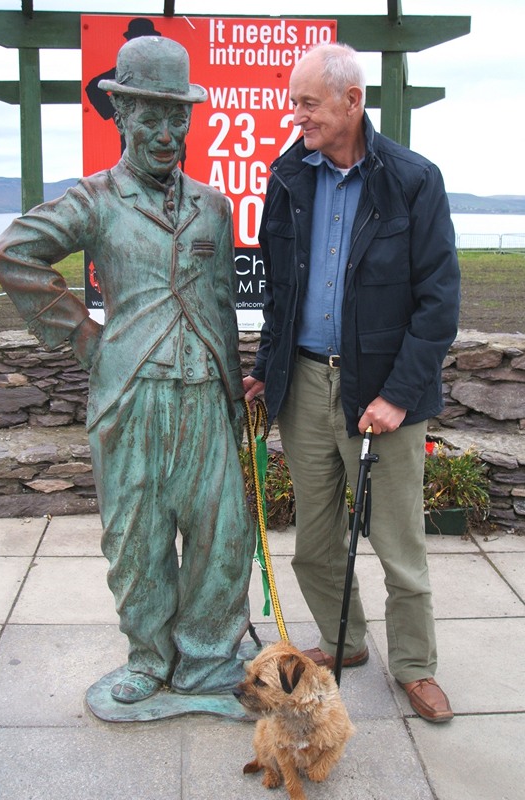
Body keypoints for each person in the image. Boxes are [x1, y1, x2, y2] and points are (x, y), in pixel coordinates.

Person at [0, 36, 254, 704]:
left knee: (221, 537)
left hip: (203, 395)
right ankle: (147, 657)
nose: (167, 134)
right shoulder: (97, 200)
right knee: (135, 540)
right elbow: (16, 252)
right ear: (122, 117)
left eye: (178, 118)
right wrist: (85, 337)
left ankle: (206, 659)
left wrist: (232, 393)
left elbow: (222, 303)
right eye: (151, 118)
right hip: (131, 398)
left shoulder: (214, 208)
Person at [243, 43, 460, 723]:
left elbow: (439, 301)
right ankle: (350, 639)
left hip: (384, 391)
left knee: (399, 543)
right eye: (293, 101)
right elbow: (281, 291)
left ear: (351, 101)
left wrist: (397, 395)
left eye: (307, 103)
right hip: (305, 383)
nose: (295, 114)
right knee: (313, 541)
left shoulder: (413, 180)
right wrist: (263, 366)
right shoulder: (288, 178)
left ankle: (417, 667)